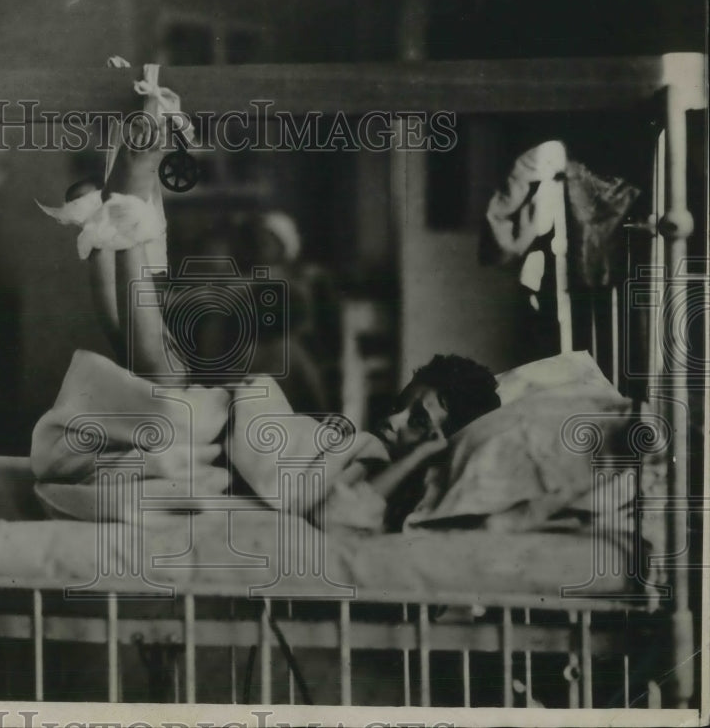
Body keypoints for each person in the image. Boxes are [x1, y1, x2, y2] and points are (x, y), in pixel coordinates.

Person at [45, 118, 500, 531]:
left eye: (418, 422)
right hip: (241, 431)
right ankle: (110, 225)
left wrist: (418, 456)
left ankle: (120, 212)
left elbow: (335, 513)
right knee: (146, 356)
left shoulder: (400, 484)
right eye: (407, 402)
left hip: (229, 440)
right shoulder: (374, 449)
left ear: (440, 444)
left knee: (159, 371)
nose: (396, 417)